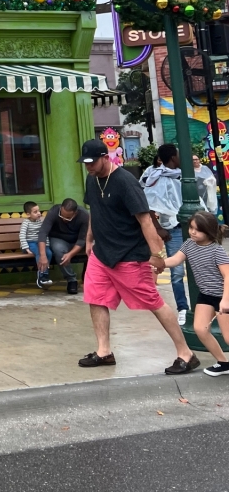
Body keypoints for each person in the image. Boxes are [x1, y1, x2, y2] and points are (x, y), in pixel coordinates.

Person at [77, 138, 199, 375]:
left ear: (105, 157)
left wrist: (156, 255)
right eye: (85, 163)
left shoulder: (125, 182)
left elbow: (145, 220)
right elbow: (94, 209)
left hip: (129, 254)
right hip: (102, 254)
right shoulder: (92, 179)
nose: (89, 167)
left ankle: (186, 353)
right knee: (96, 298)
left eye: (92, 162)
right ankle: (104, 351)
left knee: (153, 301)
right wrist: (90, 238)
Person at [163, 211, 229, 377]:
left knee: (228, 337)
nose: (192, 232)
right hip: (206, 294)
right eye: (191, 227)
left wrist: (225, 301)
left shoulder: (216, 251)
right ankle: (223, 362)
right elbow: (175, 260)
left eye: (197, 230)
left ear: (208, 232)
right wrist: (158, 263)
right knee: (200, 329)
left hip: (223, 296)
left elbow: (228, 276)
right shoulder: (188, 245)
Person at [142, 143, 190, 325]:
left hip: (192, 226)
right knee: (177, 272)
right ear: (173, 158)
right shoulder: (156, 177)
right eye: (178, 155)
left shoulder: (184, 174)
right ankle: (183, 308)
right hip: (172, 228)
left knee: (199, 267)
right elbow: (148, 205)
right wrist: (159, 228)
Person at [37, 198, 89, 294]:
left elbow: (82, 240)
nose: (64, 219)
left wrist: (70, 254)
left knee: (95, 248)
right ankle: (71, 280)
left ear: (75, 213)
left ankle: (88, 279)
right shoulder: (54, 211)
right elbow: (43, 233)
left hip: (77, 241)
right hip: (59, 239)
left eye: (68, 218)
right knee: (58, 250)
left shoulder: (84, 215)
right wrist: (43, 255)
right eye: (62, 216)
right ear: (61, 208)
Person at [19, 201, 53, 289]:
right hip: (30, 244)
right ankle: (42, 275)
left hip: (40, 243)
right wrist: (26, 248)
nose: (39, 213)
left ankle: (44, 274)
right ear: (28, 214)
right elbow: (22, 235)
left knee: (48, 253)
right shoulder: (26, 222)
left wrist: (47, 245)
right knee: (40, 253)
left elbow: (44, 234)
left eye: (39, 211)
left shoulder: (40, 222)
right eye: (35, 212)